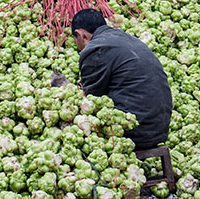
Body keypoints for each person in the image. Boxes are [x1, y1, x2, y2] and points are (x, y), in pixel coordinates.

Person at [71, 8, 173, 150]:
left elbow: (90, 97)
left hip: (136, 130)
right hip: (159, 129)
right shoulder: (126, 38)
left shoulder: (95, 48)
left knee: (77, 131)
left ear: (80, 35)